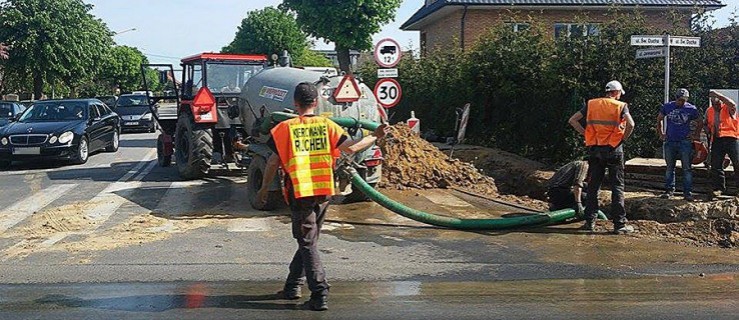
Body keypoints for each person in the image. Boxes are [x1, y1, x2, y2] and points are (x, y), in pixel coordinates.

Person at [256, 82, 387, 311]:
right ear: (316, 102)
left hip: (300, 191)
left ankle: (319, 292)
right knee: (309, 241)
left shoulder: (284, 128)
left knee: (306, 242)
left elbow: (273, 161)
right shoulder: (327, 125)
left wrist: (264, 189)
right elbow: (352, 148)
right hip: (325, 190)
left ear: (295, 104)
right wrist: (375, 136)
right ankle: (292, 286)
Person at [567, 80, 636, 234]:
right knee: (617, 187)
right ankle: (619, 225)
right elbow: (631, 124)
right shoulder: (620, 106)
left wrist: (586, 134)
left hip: (595, 150)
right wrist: (622, 139)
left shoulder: (591, 104)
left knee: (593, 187)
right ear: (617, 92)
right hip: (614, 150)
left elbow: (572, 120)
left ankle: (590, 222)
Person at [656, 88, 701, 201]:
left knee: (687, 168)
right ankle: (669, 191)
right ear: (676, 98)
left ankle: (687, 193)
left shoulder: (691, 109)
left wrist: (695, 135)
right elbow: (659, 119)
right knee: (670, 167)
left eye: (684, 100)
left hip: (684, 141)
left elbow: (700, 121)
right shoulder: (667, 106)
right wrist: (661, 133)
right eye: (680, 99)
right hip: (670, 141)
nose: (682, 102)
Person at [704, 90, 738, 199]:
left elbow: (732, 104)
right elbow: (706, 123)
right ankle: (719, 188)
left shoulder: (728, 108)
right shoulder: (709, 111)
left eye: (718, 103)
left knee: (737, 163)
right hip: (717, 140)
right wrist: (707, 129)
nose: (716, 106)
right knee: (716, 165)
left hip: (731, 138)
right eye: (714, 104)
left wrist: (719, 95)